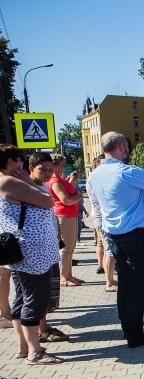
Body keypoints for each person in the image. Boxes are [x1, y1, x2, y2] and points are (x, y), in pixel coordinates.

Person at [87, 132, 144, 348]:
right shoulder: (127, 171)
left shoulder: (95, 175)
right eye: (126, 146)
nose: (127, 150)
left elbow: (122, 192)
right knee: (138, 285)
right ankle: (134, 333)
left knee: (125, 283)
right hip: (136, 236)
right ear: (120, 146)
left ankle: (126, 324)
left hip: (113, 235)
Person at [0, 145, 62, 364]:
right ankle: (35, 351)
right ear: (10, 163)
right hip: (32, 252)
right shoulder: (10, 182)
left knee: (22, 299)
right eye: (19, 161)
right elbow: (48, 201)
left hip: (26, 250)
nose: (22, 165)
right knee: (36, 300)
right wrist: (27, 181)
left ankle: (24, 346)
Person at [28, 152, 70, 343]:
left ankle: (43, 328)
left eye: (49, 169)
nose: (47, 173)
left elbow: (49, 212)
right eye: (42, 169)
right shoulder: (27, 188)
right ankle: (36, 337)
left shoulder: (41, 186)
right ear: (31, 169)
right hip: (35, 251)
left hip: (48, 246)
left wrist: (57, 228)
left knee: (47, 292)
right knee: (35, 296)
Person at [47, 154, 83, 286]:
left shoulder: (60, 179)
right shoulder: (55, 181)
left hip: (69, 215)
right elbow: (66, 200)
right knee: (66, 248)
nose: (65, 167)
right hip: (63, 216)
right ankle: (64, 277)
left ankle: (69, 275)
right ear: (55, 166)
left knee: (70, 247)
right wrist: (79, 196)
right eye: (63, 164)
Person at [86, 157, 117, 291]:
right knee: (110, 251)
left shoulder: (92, 178)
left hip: (100, 217)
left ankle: (109, 280)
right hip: (102, 218)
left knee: (106, 249)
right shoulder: (95, 179)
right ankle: (109, 282)